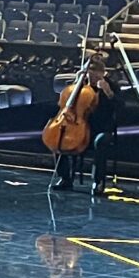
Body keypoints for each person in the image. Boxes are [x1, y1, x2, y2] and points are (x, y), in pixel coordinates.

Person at [48, 45, 117, 195]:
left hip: (100, 128)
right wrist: (77, 82)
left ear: (103, 74)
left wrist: (108, 92)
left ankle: (97, 182)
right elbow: (65, 104)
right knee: (57, 139)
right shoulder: (79, 86)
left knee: (101, 142)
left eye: (96, 75)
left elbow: (119, 106)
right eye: (90, 75)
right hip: (77, 125)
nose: (92, 78)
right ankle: (65, 178)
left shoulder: (111, 86)